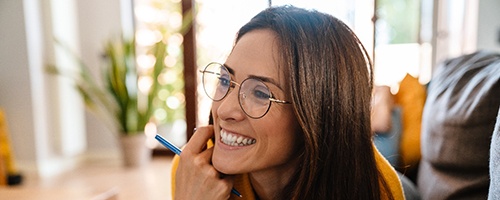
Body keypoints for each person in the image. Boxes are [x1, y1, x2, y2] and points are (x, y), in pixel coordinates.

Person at [170, 5, 404, 200]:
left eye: (260, 93)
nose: (224, 109)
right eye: (224, 79)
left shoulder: (374, 189)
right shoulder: (194, 175)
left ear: (316, 116)